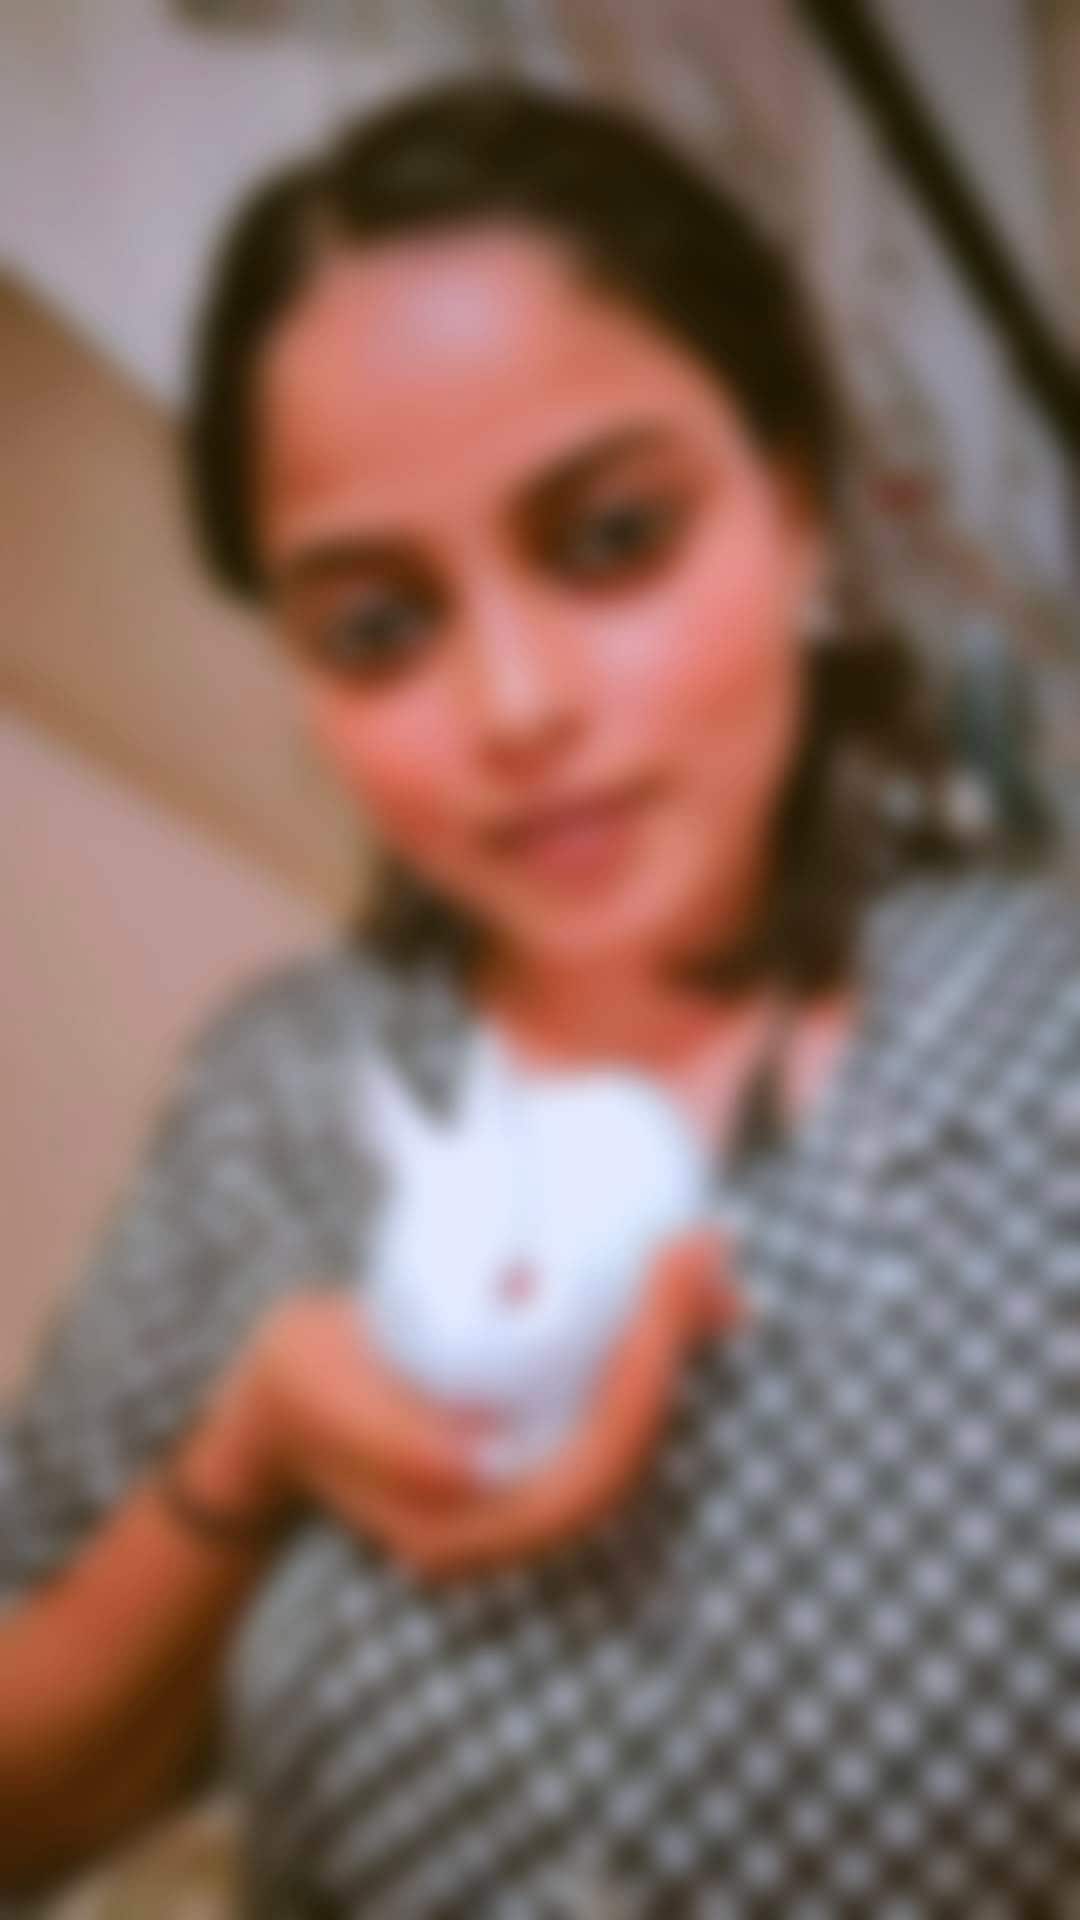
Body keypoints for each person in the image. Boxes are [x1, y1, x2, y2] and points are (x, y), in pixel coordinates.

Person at [1, 76, 1077, 1919]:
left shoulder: (1050, 1045)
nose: (513, 706)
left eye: (611, 539)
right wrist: (253, 1444)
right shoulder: (279, 1096)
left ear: (797, 516)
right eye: (378, 628)